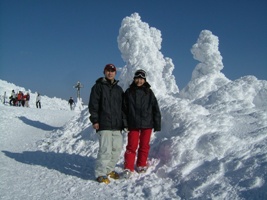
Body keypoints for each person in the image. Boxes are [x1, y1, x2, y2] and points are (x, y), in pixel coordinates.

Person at [88, 63, 127, 184]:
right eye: (108, 71)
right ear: (104, 72)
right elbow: (93, 105)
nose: (110, 73)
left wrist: (124, 123)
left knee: (117, 148)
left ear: (115, 73)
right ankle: (100, 173)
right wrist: (95, 120)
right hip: (104, 124)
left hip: (117, 125)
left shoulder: (119, 89)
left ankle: (109, 170)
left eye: (112, 71)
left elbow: (123, 108)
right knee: (105, 150)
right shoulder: (98, 87)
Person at [122, 69, 161, 179]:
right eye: (137, 78)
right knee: (131, 146)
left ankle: (141, 164)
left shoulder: (149, 92)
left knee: (144, 146)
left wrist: (157, 123)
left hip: (147, 124)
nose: (139, 81)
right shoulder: (129, 92)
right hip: (133, 124)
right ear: (134, 79)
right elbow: (123, 110)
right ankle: (128, 167)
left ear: (144, 80)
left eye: (141, 79)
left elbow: (155, 108)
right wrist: (125, 123)